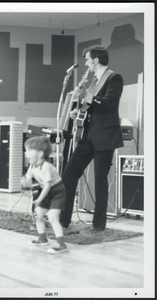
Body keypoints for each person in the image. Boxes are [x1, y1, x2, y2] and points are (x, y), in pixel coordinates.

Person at [60, 45, 124, 231]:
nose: (86, 63)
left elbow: (108, 104)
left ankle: (99, 225)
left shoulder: (114, 78)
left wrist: (86, 95)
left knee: (100, 181)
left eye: (87, 59)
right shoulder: (93, 80)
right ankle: (64, 219)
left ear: (96, 60)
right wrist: (77, 112)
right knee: (69, 175)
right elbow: (90, 106)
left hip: (105, 136)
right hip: (87, 136)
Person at [21, 136, 67, 253]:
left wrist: (39, 200)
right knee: (38, 215)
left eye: (29, 151)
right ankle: (42, 239)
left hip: (57, 191)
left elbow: (47, 185)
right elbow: (27, 180)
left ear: (40, 154)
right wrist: (24, 181)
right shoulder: (32, 166)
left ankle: (61, 245)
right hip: (45, 192)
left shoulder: (46, 166)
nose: (25, 153)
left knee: (52, 216)